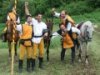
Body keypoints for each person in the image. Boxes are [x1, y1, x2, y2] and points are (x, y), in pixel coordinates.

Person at [25, 2, 48, 70]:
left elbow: (46, 31)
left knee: (41, 52)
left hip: (41, 39)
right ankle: (33, 66)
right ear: (37, 17)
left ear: (41, 17)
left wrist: (46, 34)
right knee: (34, 53)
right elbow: (28, 14)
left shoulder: (44, 24)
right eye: (39, 16)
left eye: (41, 16)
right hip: (34, 39)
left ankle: (40, 65)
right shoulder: (34, 21)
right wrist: (26, 6)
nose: (40, 17)